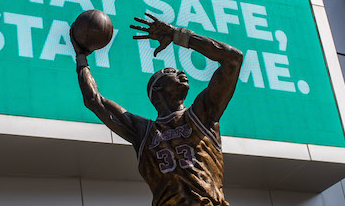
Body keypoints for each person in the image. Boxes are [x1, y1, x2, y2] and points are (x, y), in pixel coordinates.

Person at [71, 13, 243, 206]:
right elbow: (95, 101)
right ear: (157, 89)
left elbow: (233, 59)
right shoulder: (144, 131)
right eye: (171, 72)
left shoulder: (202, 113)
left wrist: (178, 35)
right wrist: (81, 58)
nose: (181, 72)